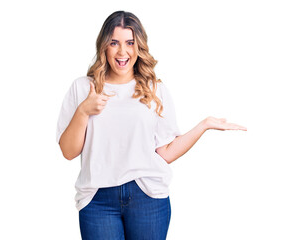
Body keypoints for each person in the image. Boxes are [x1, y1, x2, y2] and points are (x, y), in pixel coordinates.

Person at [56, 10, 247, 240]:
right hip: (97, 200)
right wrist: (84, 110)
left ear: (139, 47)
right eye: (114, 43)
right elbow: (68, 151)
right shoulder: (82, 88)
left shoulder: (153, 89)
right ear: (104, 46)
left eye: (130, 43)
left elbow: (164, 152)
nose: (122, 51)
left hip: (147, 197)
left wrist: (203, 125)